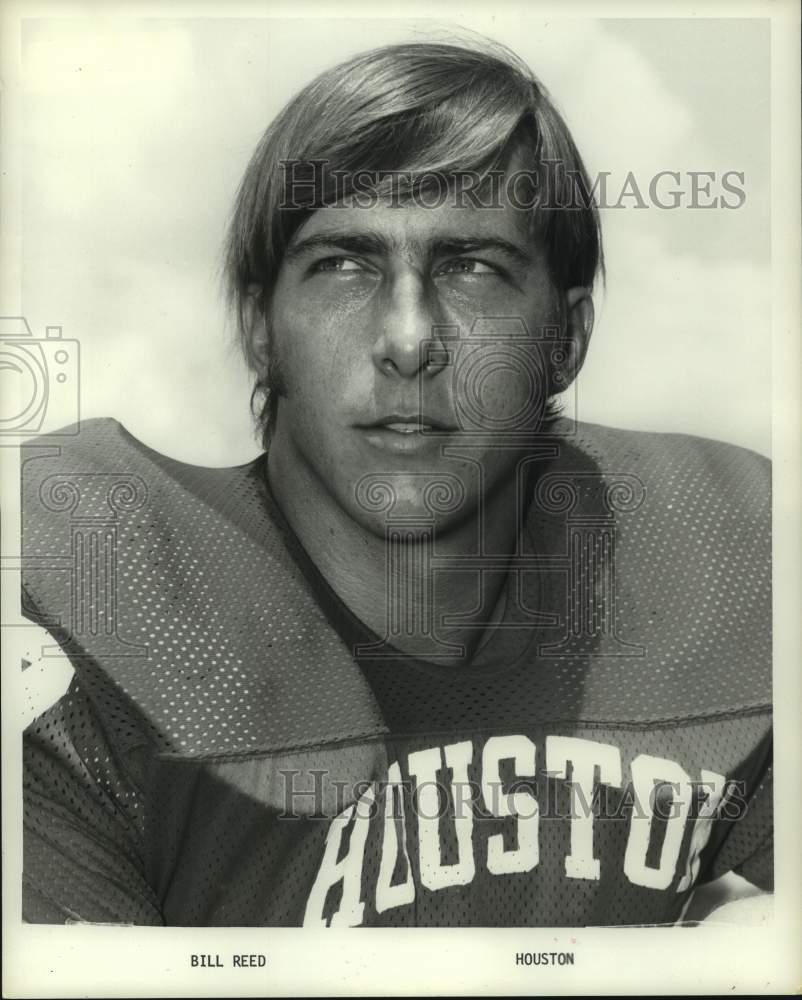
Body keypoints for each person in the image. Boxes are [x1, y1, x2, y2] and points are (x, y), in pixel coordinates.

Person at [21, 40, 771, 927]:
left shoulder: (725, 571)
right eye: (345, 264)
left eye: (472, 267)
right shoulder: (114, 654)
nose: (410, 339)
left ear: (566, 339)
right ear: (262, 330)